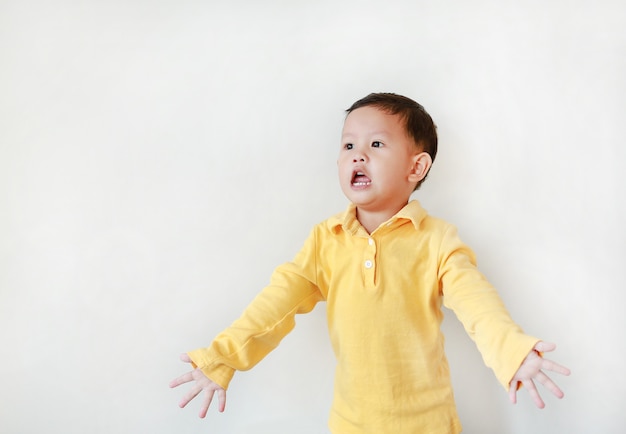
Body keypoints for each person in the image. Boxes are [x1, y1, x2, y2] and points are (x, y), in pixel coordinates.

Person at [169, 93, 570, 433]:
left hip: (428, 423)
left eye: (376, 145)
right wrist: (221, 358)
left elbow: (476, 303)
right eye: (348, 146)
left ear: (416, 167)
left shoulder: (436, 240)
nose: (357, 155)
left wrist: (512, 352)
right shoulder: (327, 240)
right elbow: (275, 305)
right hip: (351, 422)